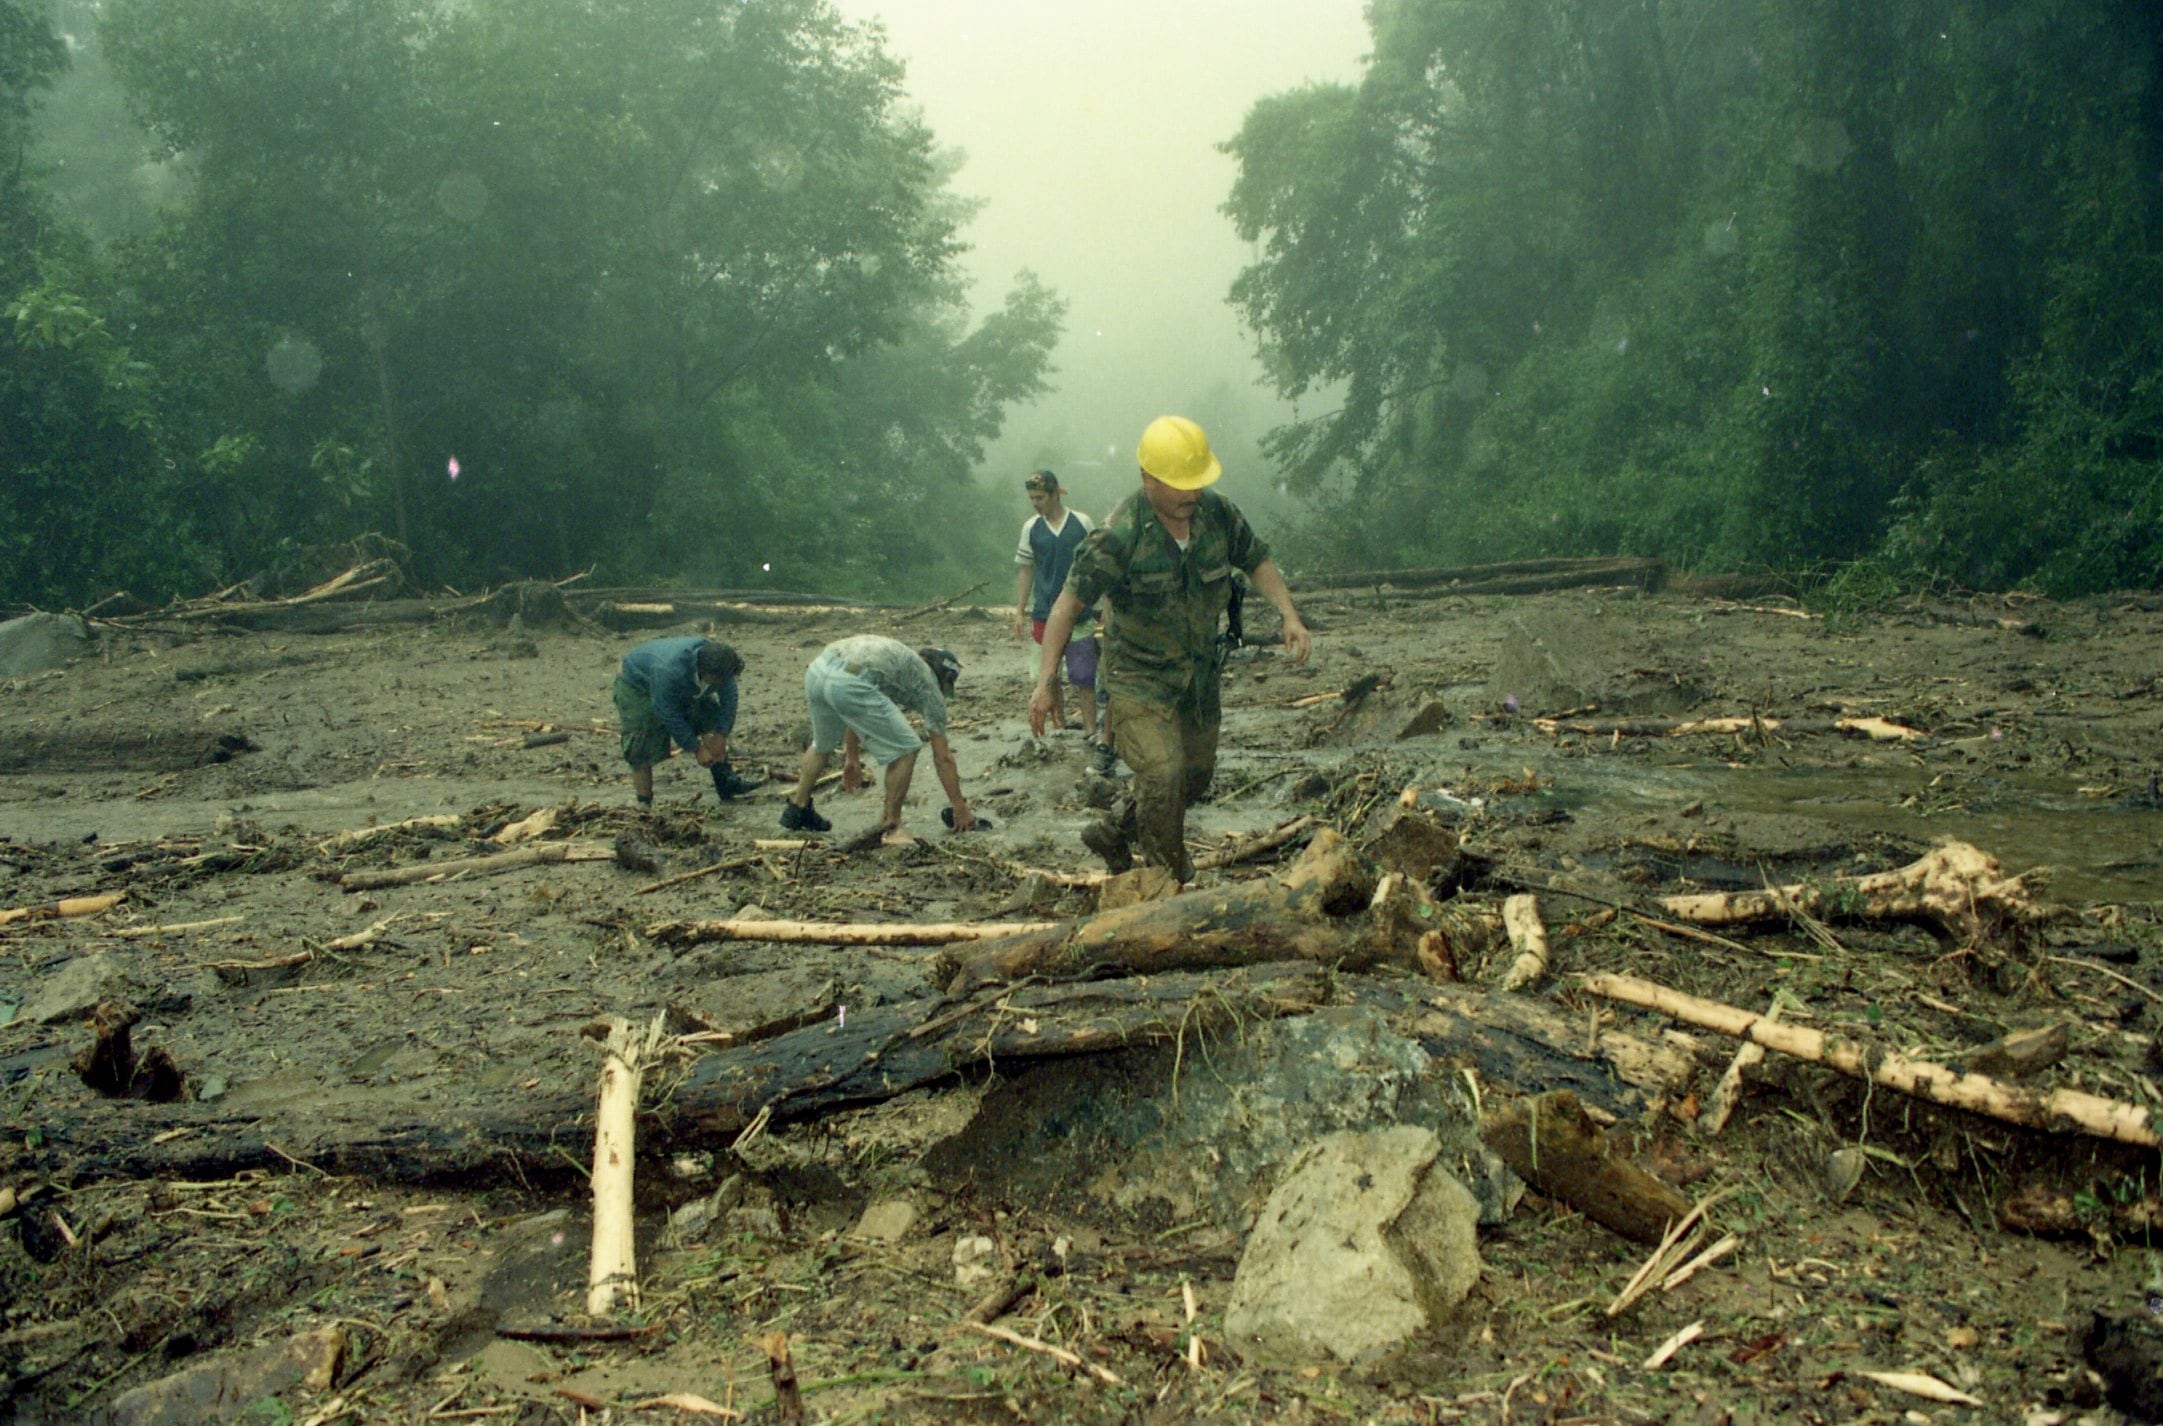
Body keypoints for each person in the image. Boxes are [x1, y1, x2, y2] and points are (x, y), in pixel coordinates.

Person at [1029, 415, 1312, 881]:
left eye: (1197, 483)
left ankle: (1118, 830)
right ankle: (1166, 879)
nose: (1191, 495)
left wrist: (1288, 613)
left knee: (1193, 777)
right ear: (1147, 479)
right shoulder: (1119, 535)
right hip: (1137, 677)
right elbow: (1066, 606)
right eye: (1180, 485)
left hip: (1198, 675)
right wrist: (1046, 683)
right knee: (1162, 772)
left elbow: (1256, 558)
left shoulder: (1217, 514)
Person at [780, 636, 980, 844]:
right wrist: (959, 807)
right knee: (906, 749)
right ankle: (891, 826)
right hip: (849, 680)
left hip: (819, 669)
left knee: (821, 745)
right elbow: (943, 758)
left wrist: (852, 759)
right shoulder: (928, 685)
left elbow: (854, 706)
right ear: (945, 677)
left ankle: (797, 808)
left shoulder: (900, 665)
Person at [614, 636, 761, 809]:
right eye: (719, 681)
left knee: (709, 714)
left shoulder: (721, 665)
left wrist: (722, 734)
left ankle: (725, 783)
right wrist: (695, 748)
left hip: (681, 683)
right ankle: (644, 803)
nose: (723, 683)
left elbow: (729, 699)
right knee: (641, 739)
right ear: (705, 673)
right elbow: (667, 712)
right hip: (637, 684)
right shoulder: (669, 669)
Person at [1012, 469, 1100, 747]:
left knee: (1084, 674)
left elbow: (1099, 564)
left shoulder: (1081, 523)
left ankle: (1090, 729)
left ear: (1054, 494)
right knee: (1048, 675)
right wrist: (1019, 610)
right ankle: (1059, 726)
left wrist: (1103, 604)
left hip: (1079, 611)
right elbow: (1026, 570)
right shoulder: (1031, 528)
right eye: (1031, 498)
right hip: (1044, 612)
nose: (1035, 503)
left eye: (1039, 497)